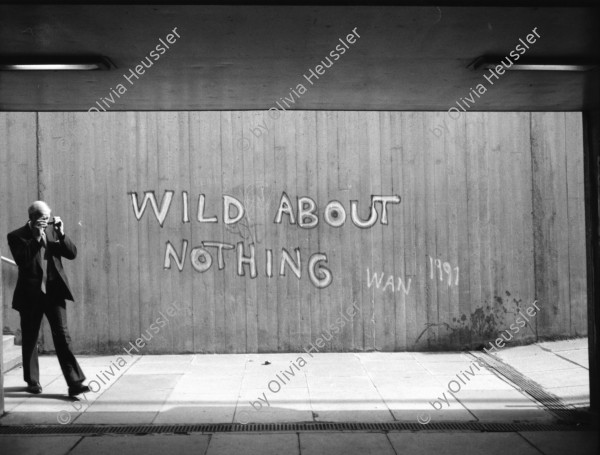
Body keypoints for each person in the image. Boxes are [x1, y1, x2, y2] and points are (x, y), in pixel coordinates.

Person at [7, 201, 90, 397]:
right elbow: (22, 261)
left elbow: (72, 253)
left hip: (54, 293)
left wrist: (61, 234)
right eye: (43, 217)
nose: (46, 221)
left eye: (48, 216)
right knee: (30, 338)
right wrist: (36, 239)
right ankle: (32, 381)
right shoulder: (16, 236)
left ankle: (75, 382)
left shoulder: (53, 231)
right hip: (30, 295)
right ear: (33, 218)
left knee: (62, 336)